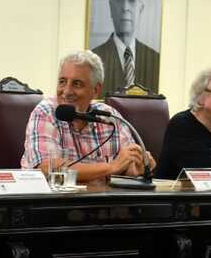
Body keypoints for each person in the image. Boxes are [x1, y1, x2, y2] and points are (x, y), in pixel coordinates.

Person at [21, 50, 155, 183]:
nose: (66, 91)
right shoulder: (46, 112)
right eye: (62, 81)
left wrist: (135, 166)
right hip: (53, 203)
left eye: (77, 84)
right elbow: (47, 167)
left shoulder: (110, 117)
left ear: (96, 90)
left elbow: (127, 162)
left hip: (102, 202)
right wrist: (111, 167)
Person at [91, 0, 161, 93]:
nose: (125, 7)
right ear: (111, 7)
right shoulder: (93, 59)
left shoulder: (154, 58)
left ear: (141, 8)